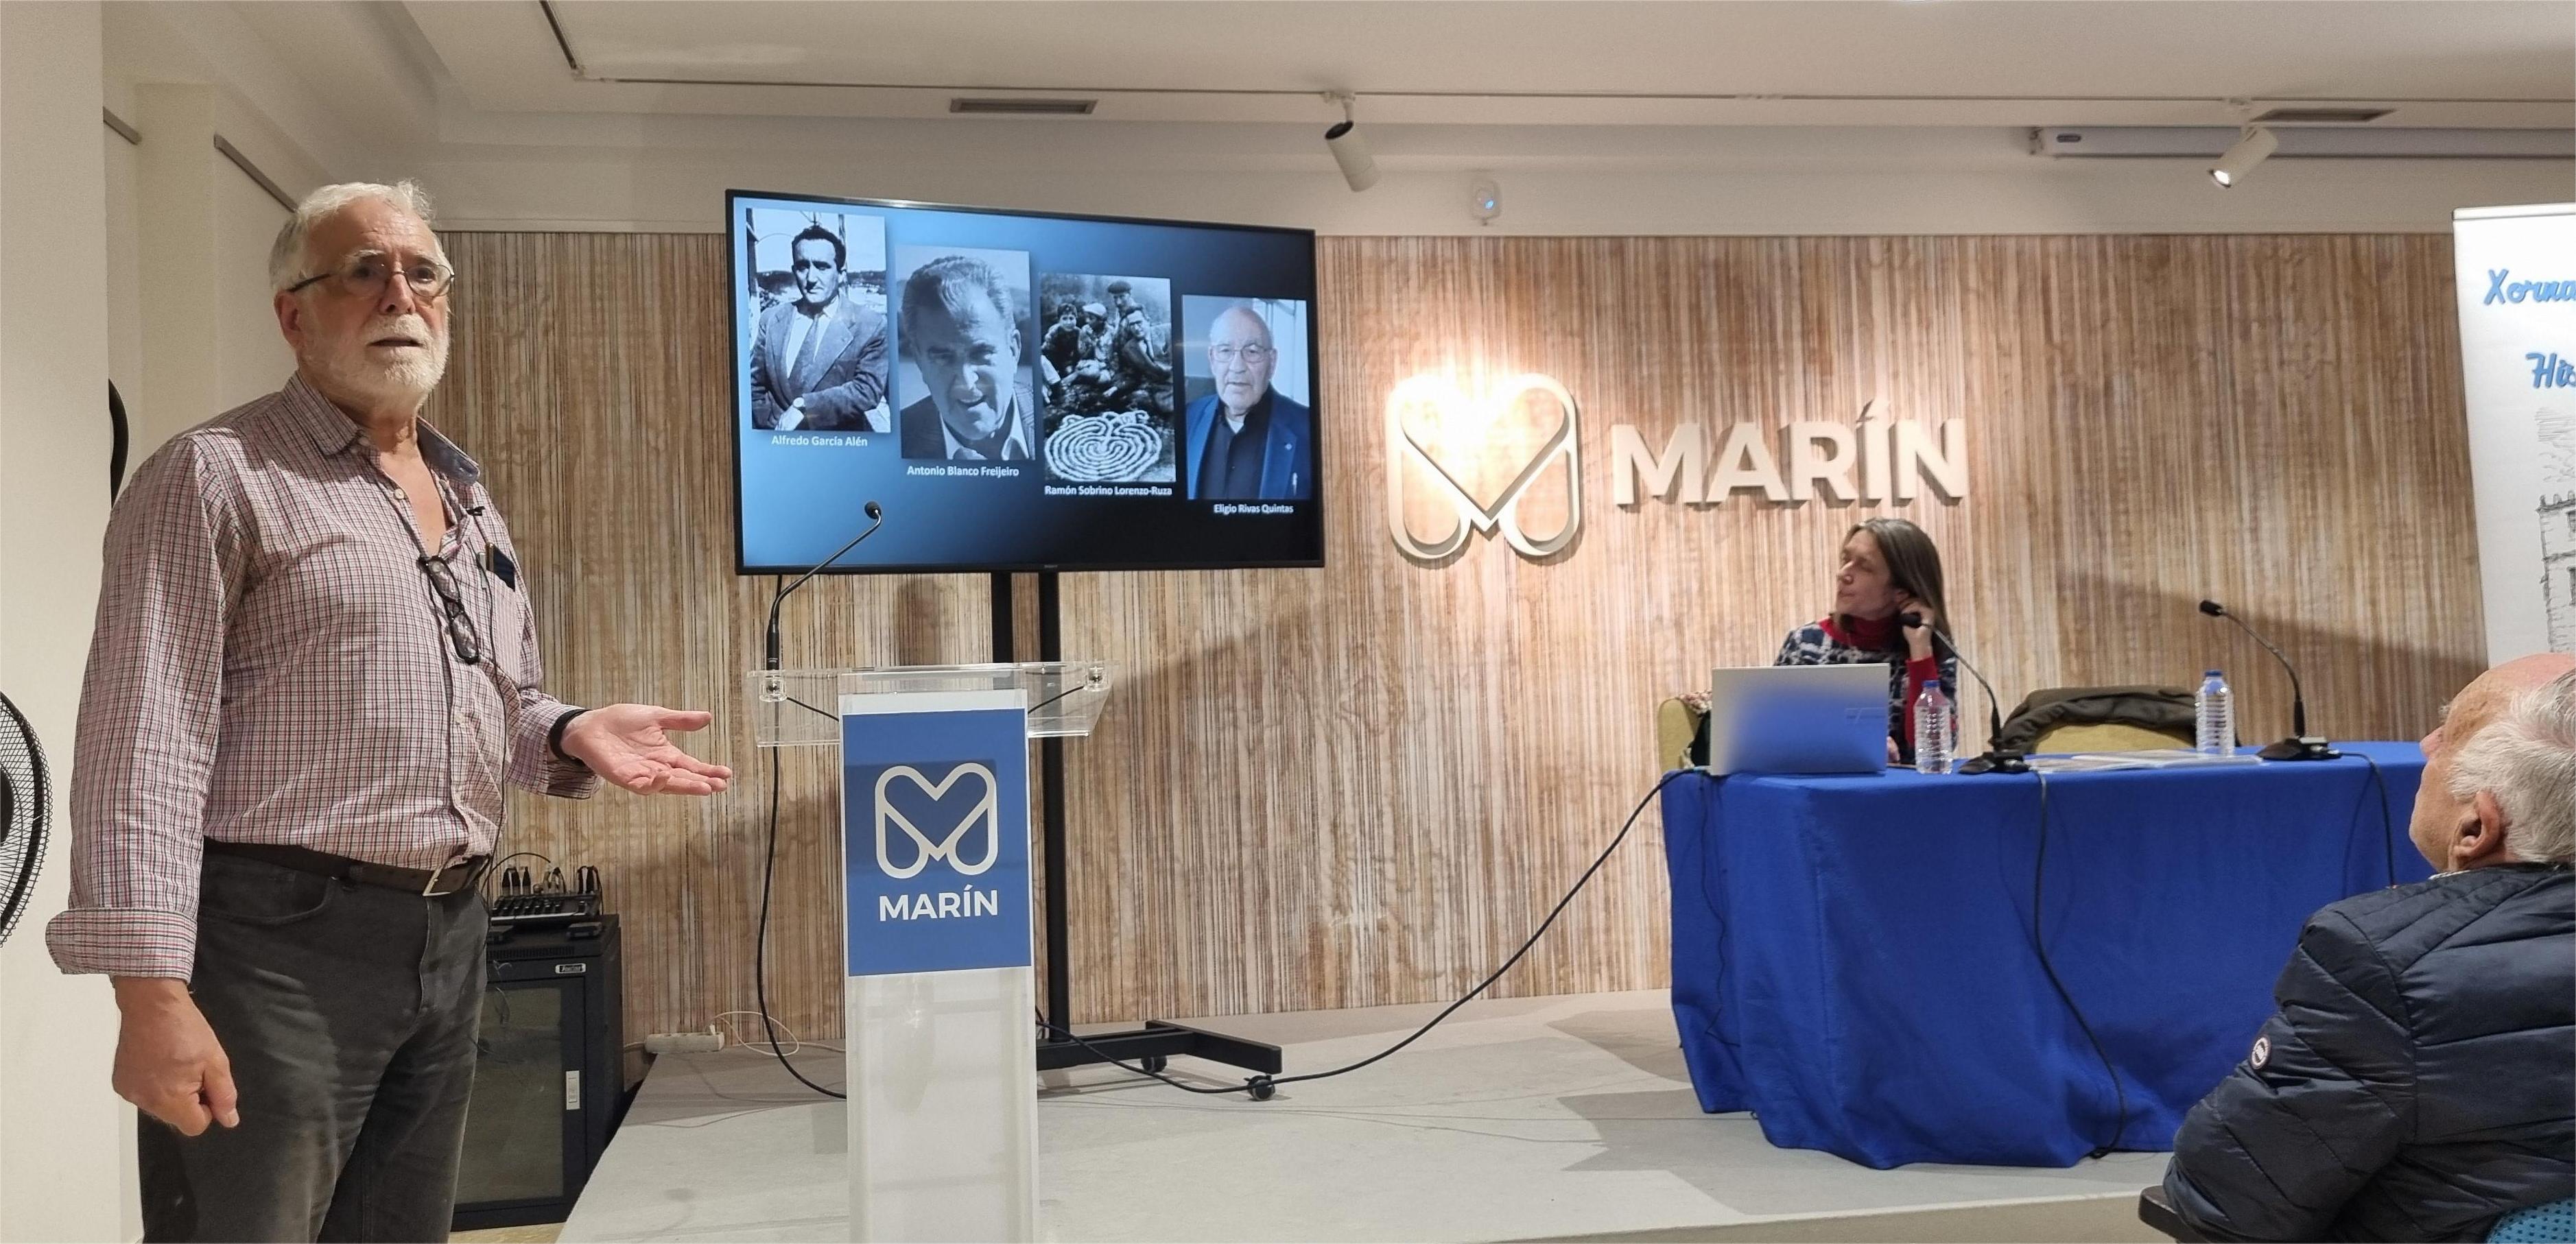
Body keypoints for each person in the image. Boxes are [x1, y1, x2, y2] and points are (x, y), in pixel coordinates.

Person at [44, 180, 735, 1243]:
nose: (399, 295)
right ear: (293, 313)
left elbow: (491, 696)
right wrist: (151, 996)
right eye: (363, 271)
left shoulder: (466, 497)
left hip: (448, 939)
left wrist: (566, 729)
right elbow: (143, 739)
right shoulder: (215, 476)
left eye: (422, 274)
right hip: (275, 952)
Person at [2161, 654, 2575, 1243]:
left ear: (2475, 828)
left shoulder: (2386, 965)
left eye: (2451, 734)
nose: (2426, 743)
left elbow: (2226, 1201)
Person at [1690, 518, 1957, 764]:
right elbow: (1775, 741)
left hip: (1902, 794)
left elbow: (1936, 750)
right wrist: (1856, 749)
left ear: (1902, 591)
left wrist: (1921, 653)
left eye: (1864, 566)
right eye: (1846, 559)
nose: (1844, 574)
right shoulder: (1808, 644)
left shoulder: (1932, 649)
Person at [748, 223, 889, 433]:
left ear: (841, 274)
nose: (811, 279)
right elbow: (753, 384)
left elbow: (867, 390)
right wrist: (769, 425)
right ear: (794, 270)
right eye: (803, 267)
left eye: (822, 267)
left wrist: (805, 408)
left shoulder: (870, 324)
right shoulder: (771, 320)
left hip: (836, 444)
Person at [897, 254, 1033, 462]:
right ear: (919, 362)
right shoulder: (898, 440)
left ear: (1013, 350)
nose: (967, 384)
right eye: (943, 358)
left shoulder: (1062, 419)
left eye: (981, 354)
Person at [1182, 303, 1312, 501]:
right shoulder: (1188, 417)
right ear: (1212, 360)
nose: (1237, 367)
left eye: (1252, 351)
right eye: (1225, 351)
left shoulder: (1309, 428)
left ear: (1272, 362)